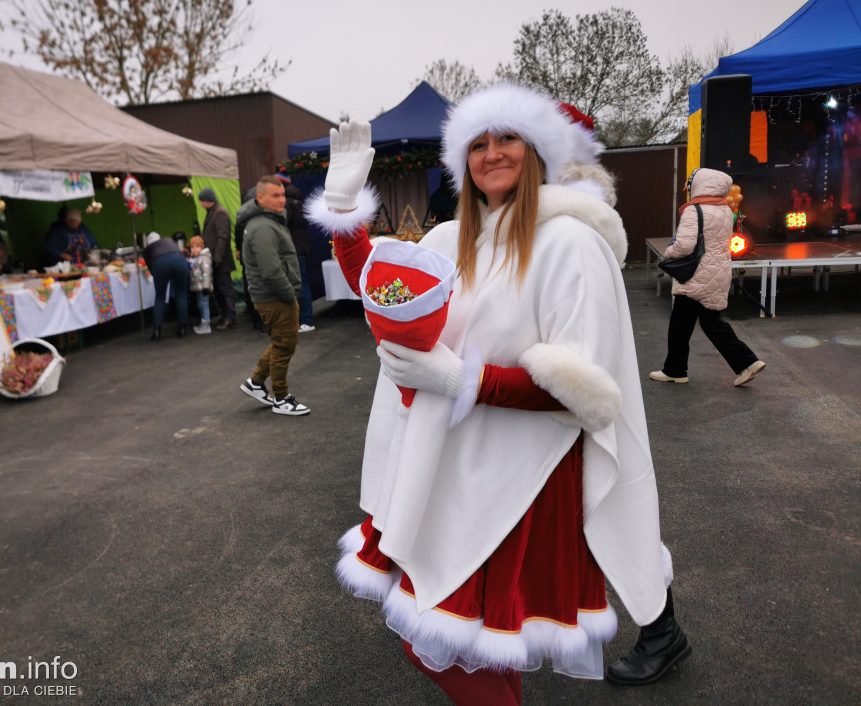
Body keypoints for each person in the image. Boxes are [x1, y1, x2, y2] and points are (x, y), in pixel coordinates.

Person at [306, 84, 688, 704]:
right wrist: (346, 207)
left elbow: (583, 395)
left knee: (448, 636)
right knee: (476, 641)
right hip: (455, 468)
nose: (492, 153)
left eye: (507, 137)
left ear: (537, 150)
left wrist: (462, 381)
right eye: (477, 144)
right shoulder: (456, 239)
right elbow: (384, 286)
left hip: (523, 481)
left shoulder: (570, 243)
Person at [650, 167, 766, 387]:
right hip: (716, 273)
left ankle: (677, 370)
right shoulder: (724, 210)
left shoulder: (694, 211)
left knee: (682, 326)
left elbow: (684, 246)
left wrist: (668, 252)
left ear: (699, 185)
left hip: (696, 276)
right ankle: (746, 363)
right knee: (707, 324)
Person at [236, 175, 309, 416]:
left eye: (283, 195)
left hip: (273, 295)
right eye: (275, 196)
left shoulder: (268, 221)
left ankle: (256, 383)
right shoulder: (262, 227)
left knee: (281, 343)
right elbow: (270, 270)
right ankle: (281, 398)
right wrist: (290, 295)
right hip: (274, 296)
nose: (282, 200)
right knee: (284, 345)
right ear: (260, 198)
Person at [277, 172, 316, 333]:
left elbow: (282, 224)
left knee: (299, 284)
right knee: (301, 283)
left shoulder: (289, 205)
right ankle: (304, 319)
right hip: (300, 248)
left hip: (294, 250)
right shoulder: (299, 203)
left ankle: (306, 320)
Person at [198, 188, 237, 329]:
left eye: (202, 201)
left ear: (208, 200)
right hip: (215, 258)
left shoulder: (219, 213)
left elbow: (223, 237)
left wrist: (218, 258)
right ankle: (225, 315)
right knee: (220, 289)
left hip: (221, 259)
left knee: (225, 288)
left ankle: (230, 317)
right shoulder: (214, 212)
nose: (201, 204)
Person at [142, 231, 189, 341]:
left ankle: (157, 333)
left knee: (160, 297)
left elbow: (150, 267)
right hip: (179, 260)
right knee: (181, 295)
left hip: (160, 264)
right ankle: (183, 328)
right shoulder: (168, 240)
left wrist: (158, 277)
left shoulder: (148, 249)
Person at [236, 185, 267, 332]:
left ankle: (256, 319)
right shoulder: (263, 217)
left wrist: (239, 251)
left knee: (250, 288)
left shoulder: (242, 217)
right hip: (260, 256)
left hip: (247, 258)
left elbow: (237, 238)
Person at [188, 235, 213, 335]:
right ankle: (203, 322)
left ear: (202, 247)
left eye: (197, 247)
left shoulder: (204, 258)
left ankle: (206, 324)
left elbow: (206, 273)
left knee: (204, 304)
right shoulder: (198, 258)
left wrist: (206, 286)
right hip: (199, 287)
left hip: (203, 287)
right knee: (200, 304)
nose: (194, 249)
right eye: (192, 247)